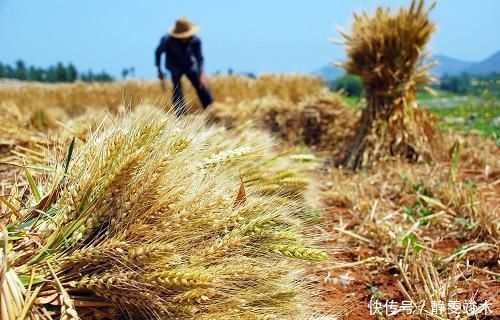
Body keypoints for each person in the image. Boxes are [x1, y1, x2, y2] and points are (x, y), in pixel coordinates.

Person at [155, 17, 214, 116]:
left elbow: (199, 58)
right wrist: (159, 69)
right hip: (174, 65)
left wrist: (201, 75)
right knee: (177, 89)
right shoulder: (167, 40)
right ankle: (181, 115)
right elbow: (158, 52)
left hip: (189, 64)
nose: (184, 38)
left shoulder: (195, 40)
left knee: (202, 86)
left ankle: (212, 110)